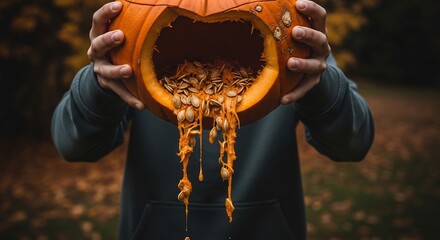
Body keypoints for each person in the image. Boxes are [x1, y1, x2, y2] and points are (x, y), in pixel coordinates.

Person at [51, 0, 374, 239]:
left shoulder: (289, 27)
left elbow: (354, 142)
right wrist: (99, 84)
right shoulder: (137, 12)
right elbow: (73, 144)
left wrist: (320, 81)